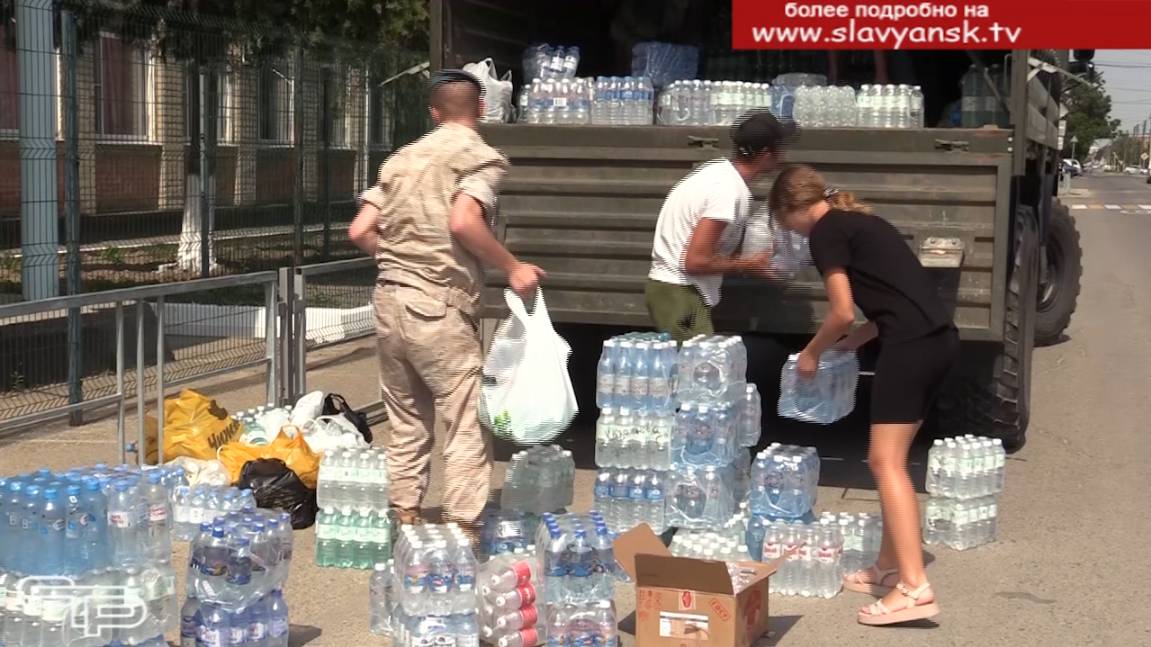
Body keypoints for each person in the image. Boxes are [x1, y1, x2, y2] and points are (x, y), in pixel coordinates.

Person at [348, 69, 545, 539]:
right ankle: (462, 528)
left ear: (433, 112)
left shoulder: (400, 160)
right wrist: (512, 266)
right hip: (437, 308)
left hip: (389, 301)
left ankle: (405, 515)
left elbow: (359, 231)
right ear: (481, 108)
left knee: (406, 418)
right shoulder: (479, 157)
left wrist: (403, 260)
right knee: (464, 419)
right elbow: (463, 222)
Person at [769, 165, 958, 626]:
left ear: (791, 210)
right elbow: (899, 295)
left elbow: (839, 311)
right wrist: (859, 339)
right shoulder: (865, 222)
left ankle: (914, 589)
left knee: (884, 462)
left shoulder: (825, 233)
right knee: (895, 460)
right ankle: (888, 566)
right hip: (939, 340)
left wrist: (812, 353)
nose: (789, 232)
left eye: (783, 222)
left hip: (910, 348)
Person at [646, 111, 796, 341]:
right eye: (780, 148)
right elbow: (695, 261)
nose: (784, 155)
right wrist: (749, 264)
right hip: (680, 294)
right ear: (766, 154)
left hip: (679, 292)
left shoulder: (720, 175)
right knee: (698, 372)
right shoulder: (727, 192)